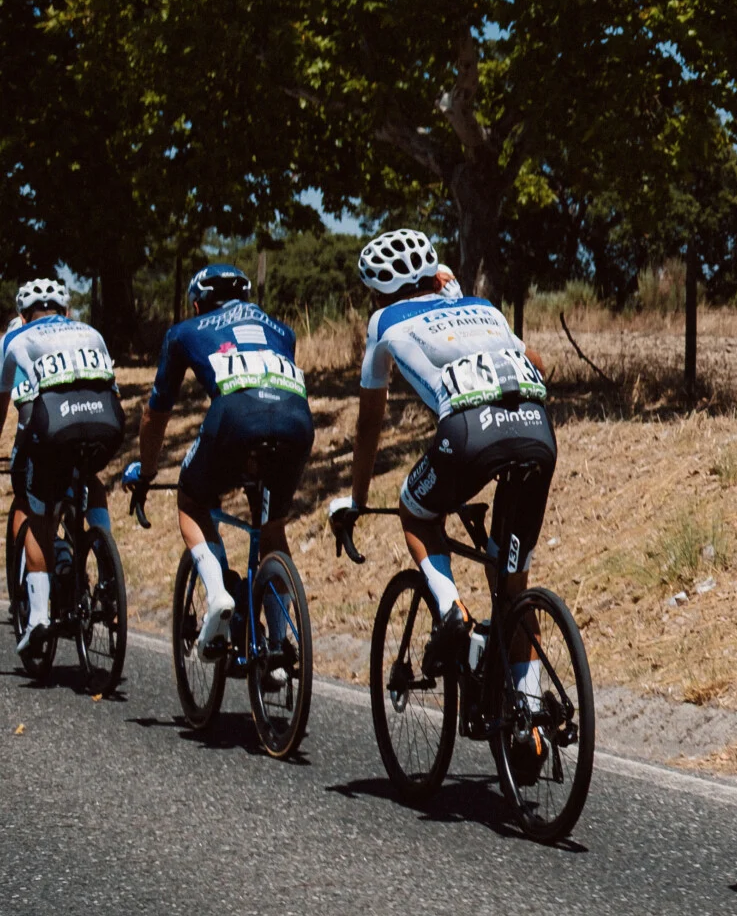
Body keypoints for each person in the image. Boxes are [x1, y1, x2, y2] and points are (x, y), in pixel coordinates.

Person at [326, 229, 555, 705]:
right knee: (511, 581)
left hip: (470, 432)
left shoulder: (384, 321)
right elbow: (537, 363)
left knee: (417, 512)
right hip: (537, 429)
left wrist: (359, 499)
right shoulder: (482, 307)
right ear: (435, 273)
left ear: (377, 291)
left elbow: (370, 422)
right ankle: (531, 723)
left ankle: (452, 612)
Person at [124, 263, 314, 661]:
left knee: (191, 500)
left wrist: (146, 470)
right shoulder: (283, 331)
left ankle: (218, 596)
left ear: (197, 304)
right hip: (297, 421)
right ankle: (277, 649)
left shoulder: (185, 332)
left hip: (235, 419)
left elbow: (156, 414)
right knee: (272, 528)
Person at [0, 278, 124, 664]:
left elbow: (3, 403)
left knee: (34, 506)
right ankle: (102, 550)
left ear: (23, 316)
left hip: (49, 429)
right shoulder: (91, 333)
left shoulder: (15, 338)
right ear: (66, 311)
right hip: (106, 426)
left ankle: (38, 617)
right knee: (92, 483)